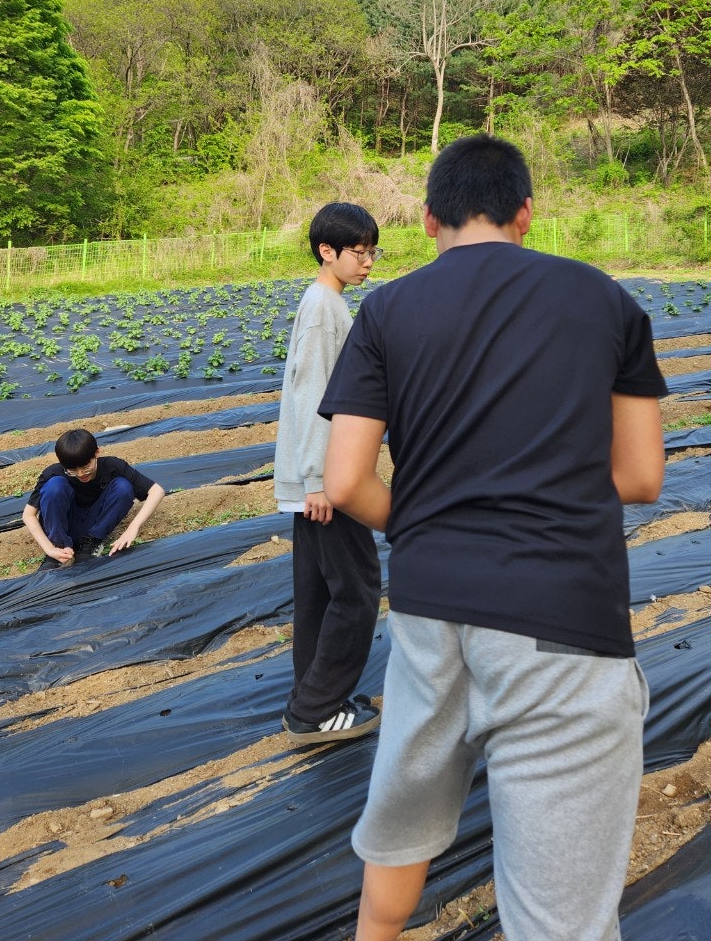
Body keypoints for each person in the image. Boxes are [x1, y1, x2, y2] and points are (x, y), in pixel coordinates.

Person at [319, 134, 667, 941]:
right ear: (526, 215)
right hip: (561, 621)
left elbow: (344, 484)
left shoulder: (388, 309)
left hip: (429, 612)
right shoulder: (603, 298)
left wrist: (432, 519)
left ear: (431, 220)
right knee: (560, 918)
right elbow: (642, 476)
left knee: (399, 832)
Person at [276, 202, 385, 747]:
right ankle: (314, 711)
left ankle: (313, 697)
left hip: (318, 478)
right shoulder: (326, 309)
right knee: (358, 590)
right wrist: (319, 481)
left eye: (372, 250)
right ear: (328, 251)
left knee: (318, 593)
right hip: (329, 481)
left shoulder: (326, 302)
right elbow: (314, 397)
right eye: (358, 251)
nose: (368, 261)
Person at [22, 428, 166, 567]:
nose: (80, 474)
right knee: (54, 486)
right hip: (67, 523)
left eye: (86, 466)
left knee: (123, 486)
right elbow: (28, 515)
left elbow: (157, 491)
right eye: (72, 470)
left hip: (94, 524)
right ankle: (59, 546)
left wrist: (132, 528)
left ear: (96, 453)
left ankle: (91, 544)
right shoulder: (52, 473)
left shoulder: (113, 466)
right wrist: (49, 548)